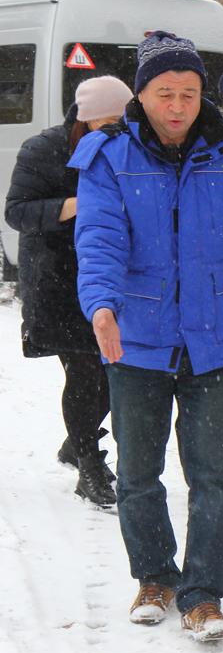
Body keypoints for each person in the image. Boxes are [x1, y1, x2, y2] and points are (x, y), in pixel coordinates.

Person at [71, 31, 223, 642]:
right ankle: (155, 577)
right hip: (135, 340)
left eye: (189, 93)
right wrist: (103, 306)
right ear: (141, 95)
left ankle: (203, 593)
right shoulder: (109, 157)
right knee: (138, 473)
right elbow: (100, 241)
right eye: (164, 93)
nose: (178, 105)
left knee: (214, 476)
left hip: (217, 337)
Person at [4, 75, 133, 509]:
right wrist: (75, 205)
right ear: (84, 118)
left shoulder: (131, 147)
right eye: (108, 122)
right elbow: (17, 211)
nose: (116, 130)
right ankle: (90, 468)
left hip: (113, 276)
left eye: (123, 120)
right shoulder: (44, 149)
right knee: (84, 373)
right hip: (58, 278)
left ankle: (75, 444)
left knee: (119, 373)